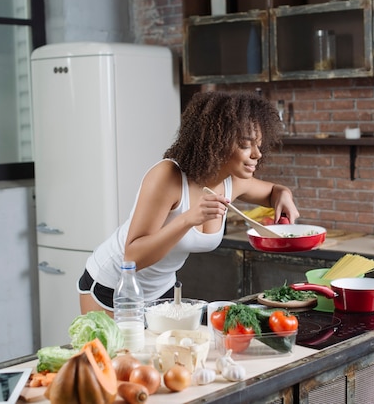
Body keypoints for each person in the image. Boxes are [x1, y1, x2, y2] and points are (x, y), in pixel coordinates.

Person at [77, 90, 300, 316]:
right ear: (217, 141)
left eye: (259, 145)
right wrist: (187, 219)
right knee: (117, 352)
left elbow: (274, 191)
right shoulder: (168, 177)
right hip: (113, 286)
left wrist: (284, 194)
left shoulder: (233, 182)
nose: (257, 154)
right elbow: (132, 257)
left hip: (160, 290)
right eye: (245, 145)